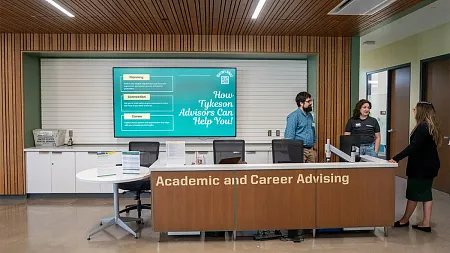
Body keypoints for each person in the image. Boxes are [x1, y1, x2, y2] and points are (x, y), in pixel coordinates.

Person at [389, 101, 442, 232]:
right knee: (425, 193)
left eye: (415, 109)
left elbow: (413, 147)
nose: (413, 110)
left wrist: (396, 158)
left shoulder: (422, 127)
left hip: (421, 167)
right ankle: (425, 223)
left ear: (421, 111)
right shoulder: (430, 126)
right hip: (430, 166)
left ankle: (405, 220)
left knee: (413, 193)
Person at [284, 91, 317, 163]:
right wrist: (292, 153)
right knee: (300, 173)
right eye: (308, 101)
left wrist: (314, 150)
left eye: (310, 101)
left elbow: (313, 131)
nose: (311, 103)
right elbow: (289, 136)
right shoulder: (293, 116)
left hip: (310, 150)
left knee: (311, 172)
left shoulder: (310, 116)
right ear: (301, 103)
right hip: (298, 150)